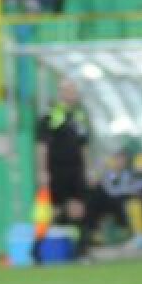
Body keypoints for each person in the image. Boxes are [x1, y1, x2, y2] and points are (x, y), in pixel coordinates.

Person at [35, 78, 90, 257]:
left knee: (78, 209)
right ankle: (38, 250)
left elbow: (83, 146)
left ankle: (80, 251)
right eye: (69, 90)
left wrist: (86, 169)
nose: (73, 94)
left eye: (74, 90)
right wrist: (43, 171)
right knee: (51, 211)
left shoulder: (80, 116)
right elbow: (42, 146)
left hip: (75, 170)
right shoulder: (51, 115)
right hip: (56, 169)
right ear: (61, 93)